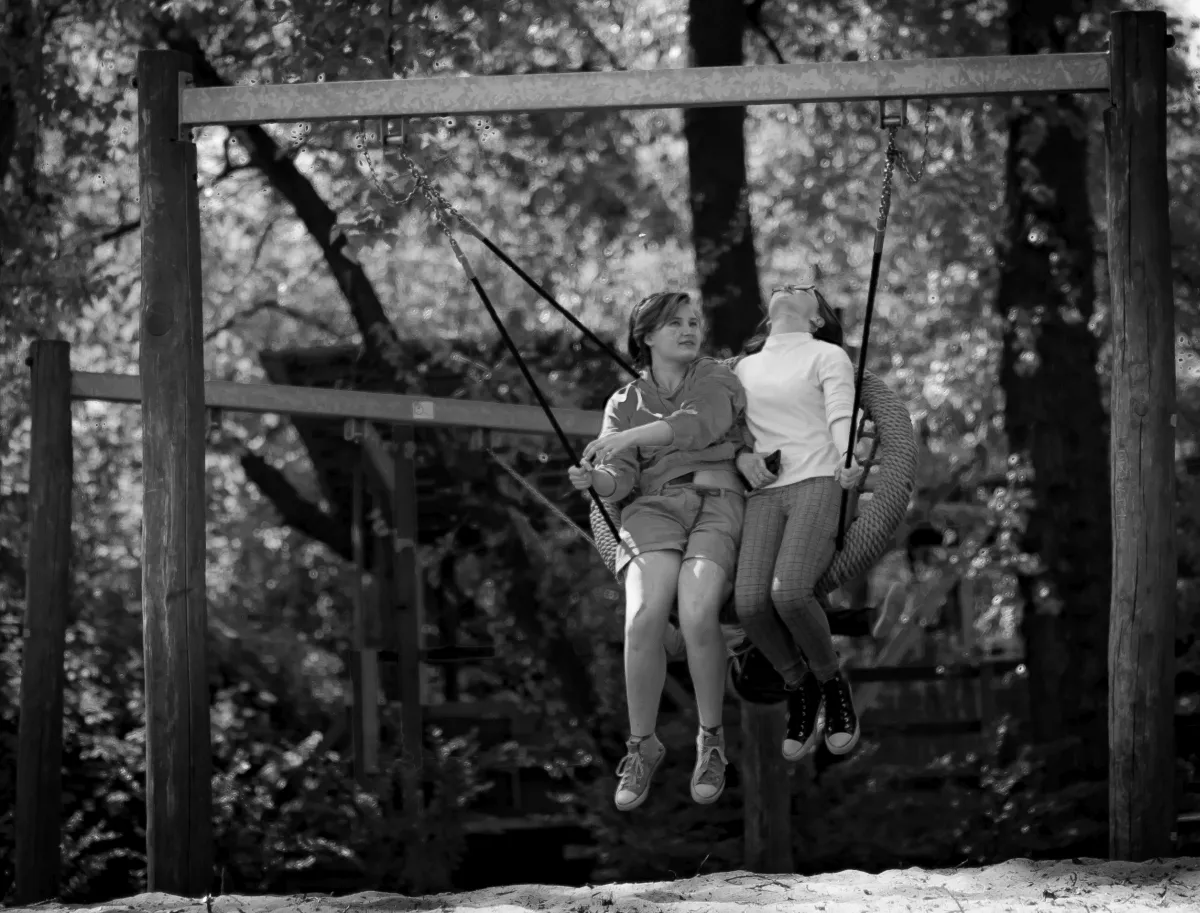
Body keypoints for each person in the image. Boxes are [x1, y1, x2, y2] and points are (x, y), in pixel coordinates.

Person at [568, 291, 747, 811]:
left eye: (694, 321)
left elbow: (699, 424)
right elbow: (616, 481)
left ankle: (710, 739)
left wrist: (626, 442)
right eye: (675, 323)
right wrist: (592, 478)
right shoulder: (623, 403)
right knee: (644, 615)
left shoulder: (717, 377)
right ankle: (642, 744)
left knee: (696, 610)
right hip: (652, 511)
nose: (690, 330)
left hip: (716, 500)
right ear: (646, 337)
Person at [732, 283, 866, 763]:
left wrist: (848, 454)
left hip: (816, 481)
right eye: (784, 285)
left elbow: (839, 412)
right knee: (749, 604)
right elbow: (731, 432)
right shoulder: (743, 367)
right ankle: (799, 686)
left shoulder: (826, 355)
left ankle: (832, 684)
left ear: (815, 319)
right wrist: (744, 455)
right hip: (765, 494)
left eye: (806, 290)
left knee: (788, 593)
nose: (790, 287)